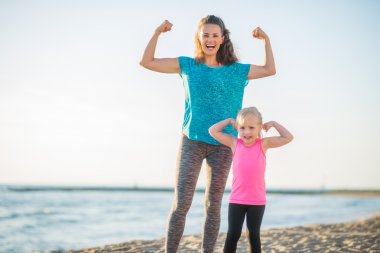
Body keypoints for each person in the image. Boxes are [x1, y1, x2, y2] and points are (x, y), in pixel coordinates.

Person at [140, 15, 276, 253]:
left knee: (213, 205)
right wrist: (157, 33)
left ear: (222, 39)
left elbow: (269, 69)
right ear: (199, 38)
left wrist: (266, 40)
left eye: (215, 35)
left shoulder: (236, 71)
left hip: (223, 145)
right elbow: (147, 62)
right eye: (206, 35)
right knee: (181, 203)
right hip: (191, 141)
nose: (210, 40)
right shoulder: (187, 65)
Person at [209, 107, 293, 253]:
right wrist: (229, 121)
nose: (246, 132)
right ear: (238, 128)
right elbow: (213, 131)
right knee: (233, 234)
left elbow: (288, 137)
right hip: (236, 200)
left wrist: (273, 124)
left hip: (257, 200)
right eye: (242, 128)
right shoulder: (235, 143)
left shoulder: (263, 144)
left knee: (253, 234)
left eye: (251, 128)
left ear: (259, 128)